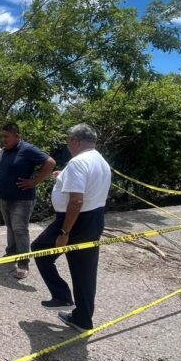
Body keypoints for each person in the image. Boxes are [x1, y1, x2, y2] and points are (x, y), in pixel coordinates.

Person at [28, 124, 112, 332]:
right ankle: (83, 319)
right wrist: (63, 176)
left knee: (40, 249)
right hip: (94, 218)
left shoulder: (78, 162)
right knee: (85, 271)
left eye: (68, 141)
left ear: (75, 141)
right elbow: (86, 186)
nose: (68, 145)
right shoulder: (99, 160)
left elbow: (76, 201)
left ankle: (62, 296)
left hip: (74, 220)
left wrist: (64, 232)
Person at [0, 123, 55, 275]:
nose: (3, 139)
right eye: (2, 136)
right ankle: (11, 253)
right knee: (10, 228)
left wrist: (35, 181)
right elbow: (4, 168)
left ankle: (23, 263)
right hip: (5, 198)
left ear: (17, 136)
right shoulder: (5, 151)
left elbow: (50, 162)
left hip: (22, 199)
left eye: (6, 136)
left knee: (20, 230)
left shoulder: (27, 149)